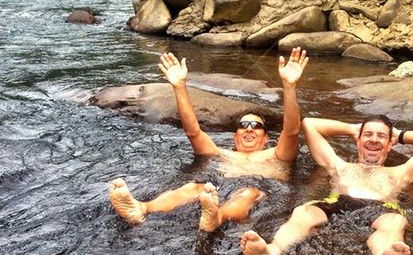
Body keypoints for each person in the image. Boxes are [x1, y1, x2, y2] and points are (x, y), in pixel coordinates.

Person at [109, 48, 309, 232]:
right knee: (194, 187)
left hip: (262, 193)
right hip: (218, 189)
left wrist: (289, 86)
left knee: (247, 193)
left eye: (256, 126)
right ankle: (141, 208)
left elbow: (291, 131)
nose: (249, 129)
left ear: (266, 138)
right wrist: (179, 86)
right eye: (243, 125)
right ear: (235, 136)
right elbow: (193, 132)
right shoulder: (221, 153)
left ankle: (217, 217)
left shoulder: (277, 154)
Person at [239, 114, 413, 255]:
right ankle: (274, 250)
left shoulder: (401, 172)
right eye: (368, 135)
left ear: (389, 144)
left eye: (381, 136)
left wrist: (400, 135)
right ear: (358, 141)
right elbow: (310, 124)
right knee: (303, 212)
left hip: (380, 208)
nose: (374, 140)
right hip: (337, 203)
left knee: (394, 222)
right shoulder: (338, 166)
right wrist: (353, 128)